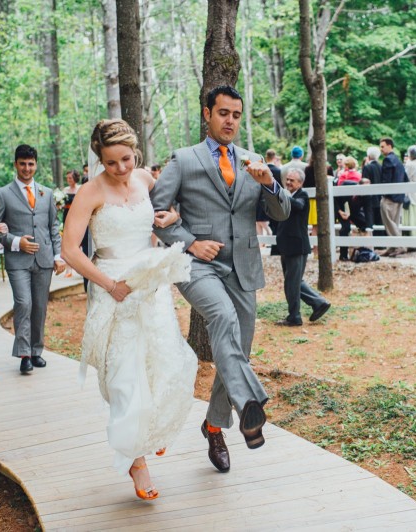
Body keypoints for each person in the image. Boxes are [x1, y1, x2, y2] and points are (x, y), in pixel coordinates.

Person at [151, 85, 290, 473]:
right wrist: (191, 243)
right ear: (207, 114)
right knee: (223, 319)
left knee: (237, 352)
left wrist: (269, 183)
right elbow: (156, 212)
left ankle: (214, 426)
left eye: (236, 115)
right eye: (223, 113)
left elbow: (281, 213)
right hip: (198, 266)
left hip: (244, 266)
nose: (230, 121)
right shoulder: (183, 159)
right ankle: (250, 402)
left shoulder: (253, 161)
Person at [60, 119, 196, 501]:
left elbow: (168, 215)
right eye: (110, 162)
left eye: (126, 159)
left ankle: (150, 430)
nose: (120, 169)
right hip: (111, 285)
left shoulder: (145, 181)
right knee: (124, 374)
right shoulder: (89, 192)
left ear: (135, 152)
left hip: (149, 284)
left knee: (160, 360)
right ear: (99, 160)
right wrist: (110, 286)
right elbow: (71, 249)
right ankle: (137, 460)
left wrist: (173, 218)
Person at [0, 144, 65, 375]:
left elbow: (53, 226)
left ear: (36, 165)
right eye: (22, 164)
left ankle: (36, 351)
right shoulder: (3, 194)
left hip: (44, 260)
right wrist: (15, 241)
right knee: (23, 303)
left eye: (31, 164)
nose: (27, 168)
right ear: (15, 164)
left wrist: (58, 255)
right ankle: (23, 355)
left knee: (39, 306)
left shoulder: (47, 193)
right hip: (17, 260)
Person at [275, 168, 330, 326]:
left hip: (297, 247)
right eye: (288, 179)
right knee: (293, 281)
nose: (288, 182)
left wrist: (283, 195)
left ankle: (295, 316)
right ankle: (318, 303)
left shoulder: (302, 196)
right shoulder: (287, 196)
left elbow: (298, 206)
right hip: (286, 245)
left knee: (293, 282)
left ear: (300, 183)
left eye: (292, 180)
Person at [378, 138, 407, 257]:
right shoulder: (399, 161)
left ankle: (400, 246)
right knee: (394, 222)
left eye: (383, 146)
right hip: (399, 196)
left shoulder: (388, 160)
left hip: (390, 197)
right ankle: (392, 247)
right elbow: (405, 178)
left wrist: (384, 193)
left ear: (390, 146)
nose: (381, 149)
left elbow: (386, 180)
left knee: (389, 222)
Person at [403, 145, 416, 237]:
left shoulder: (410, 164)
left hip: (411, 194)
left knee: (410, 217)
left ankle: (411, 238)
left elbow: (405, 177)